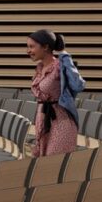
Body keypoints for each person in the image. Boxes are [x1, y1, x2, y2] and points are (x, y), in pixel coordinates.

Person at [28, 29, 80, 157]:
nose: (28, 51)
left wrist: (65, 58)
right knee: (43, 162)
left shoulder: (59, 66)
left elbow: (78, 85)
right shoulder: (40, 68)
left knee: (53, 162)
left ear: (45, 47)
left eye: (32, 47)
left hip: (61, 121)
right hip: (43, 119)